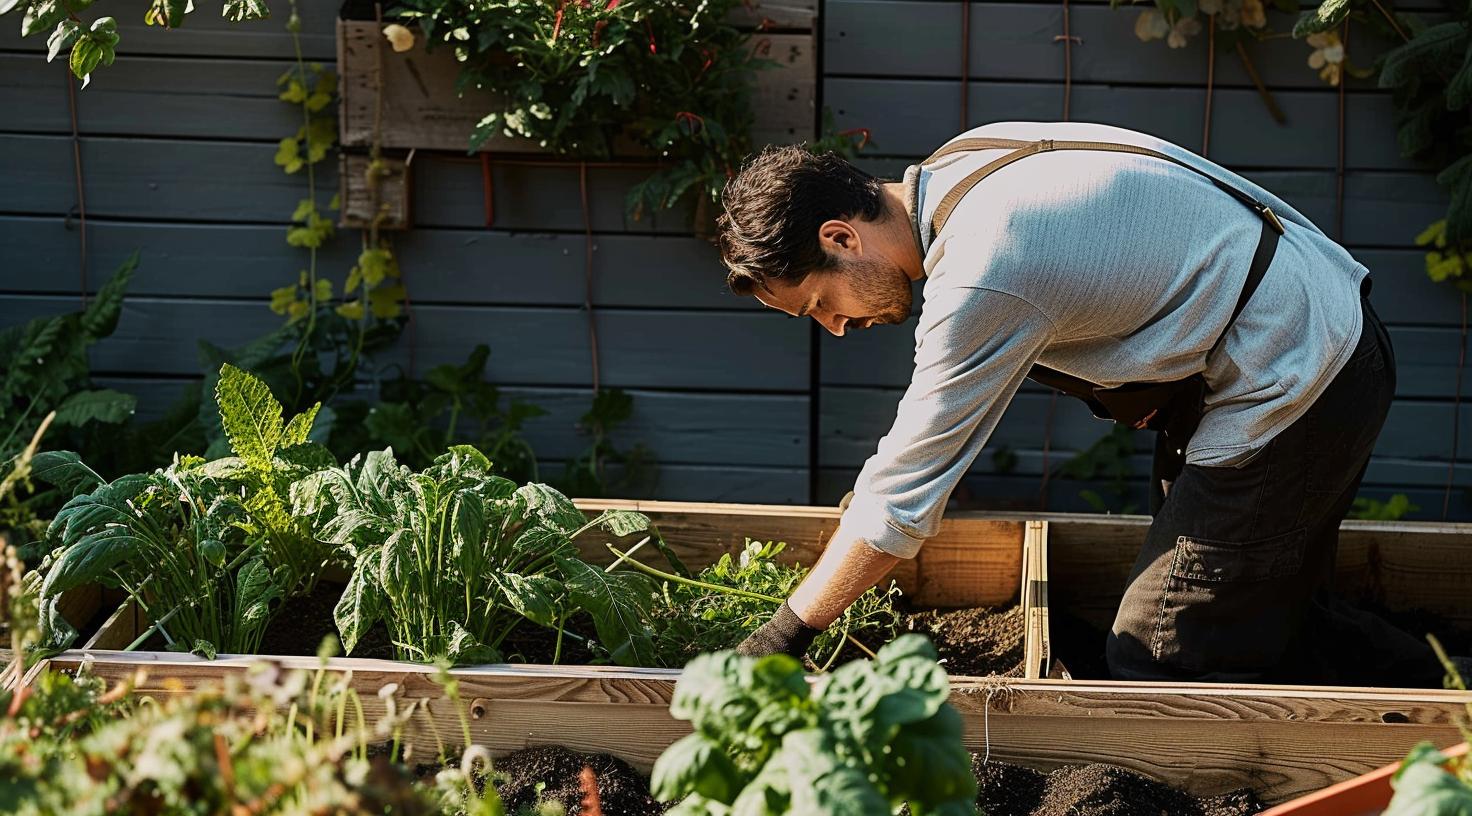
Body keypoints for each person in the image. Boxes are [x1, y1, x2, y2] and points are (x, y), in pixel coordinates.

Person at [715, 120, 1450, 686]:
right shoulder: (966, 162)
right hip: (1302, 334)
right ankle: (1446, 694)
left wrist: (780, 637)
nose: (837, 327)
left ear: (841, 237)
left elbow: (901, 502)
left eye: (821, 303)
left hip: (1297, 374)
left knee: (1160, 651)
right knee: (1254, 601)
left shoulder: (983, 269)